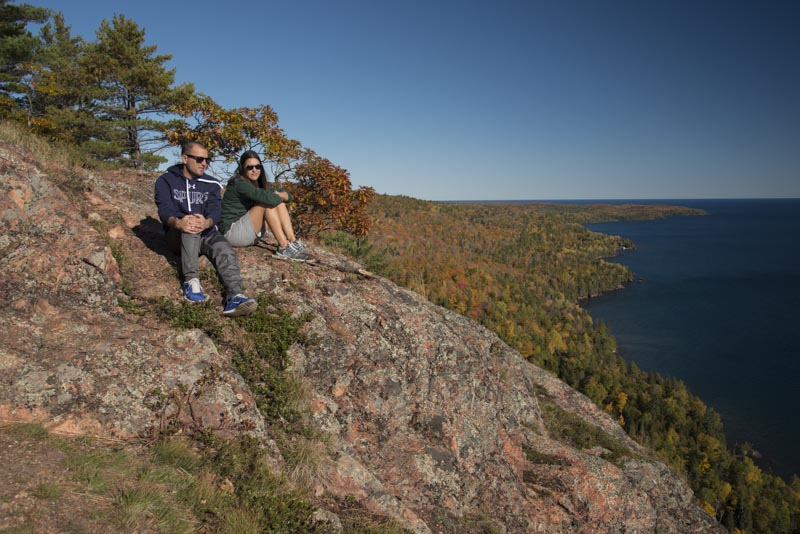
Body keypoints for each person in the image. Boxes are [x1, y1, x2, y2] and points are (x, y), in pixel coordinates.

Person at [154, 141, 257, 317]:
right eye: (200, 159)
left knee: (224, 248)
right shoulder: (166, 181)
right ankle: (191, 283)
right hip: (177, 234)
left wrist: (208, 222)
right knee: (191, 224)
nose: (205, 164)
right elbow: (165, 210)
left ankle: (235, 296)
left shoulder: (212, 183)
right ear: (185, 158)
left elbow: (216, 211)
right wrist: (178, 223)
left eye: (207, 160)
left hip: (206, 232)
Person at [219, 150, 310, 261]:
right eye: (250, 167)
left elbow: (287, 197)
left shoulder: (254, 184)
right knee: (266, 203)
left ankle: (292, 241)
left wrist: (283, 195)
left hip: (247, 231)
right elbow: (270, 198)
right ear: (242, 168)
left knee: (278, 202)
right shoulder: (239, 184)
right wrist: (282, 195)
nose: (254, 170)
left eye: (258, 166)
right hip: (232, 233)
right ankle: (283, 247)